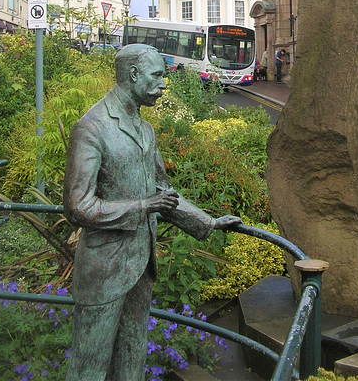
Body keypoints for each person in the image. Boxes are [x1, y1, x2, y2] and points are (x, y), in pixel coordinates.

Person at [63, 44, 240, 381]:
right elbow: (77, 207)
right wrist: (143, 207)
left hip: (141, 266)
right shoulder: (91, 128)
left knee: (133, 356)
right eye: (157, 75)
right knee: (90, 366)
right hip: (104, 271)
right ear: (133, 74)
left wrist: (208, 222)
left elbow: (163, 194)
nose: (163, 84)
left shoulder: (146, 130)